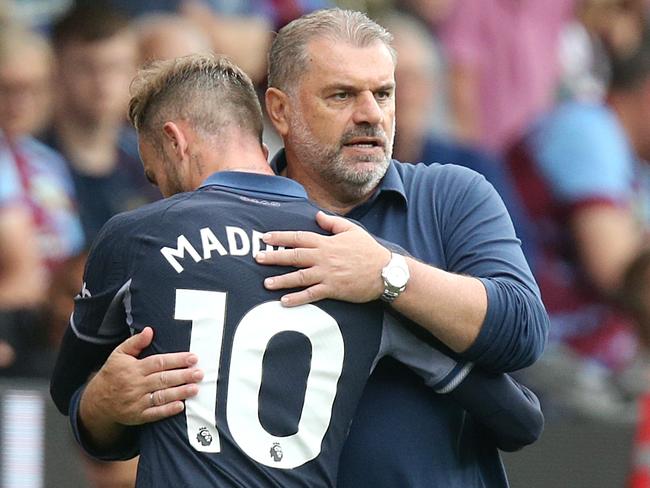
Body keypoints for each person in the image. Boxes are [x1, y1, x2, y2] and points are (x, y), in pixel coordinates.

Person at [61, 9, 549, 487]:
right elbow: (127, 417)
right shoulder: (212, 238)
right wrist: (101, 408)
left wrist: (388, 275)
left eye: (383, 93)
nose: (371, 115)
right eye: (342, 95)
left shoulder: (451, 195)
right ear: (279, 110)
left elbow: (523, 333)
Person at [506, 25, 650, 418]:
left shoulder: (636, 156)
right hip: (541, 354)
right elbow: (622, 273)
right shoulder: (588, 127)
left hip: (602, 364)